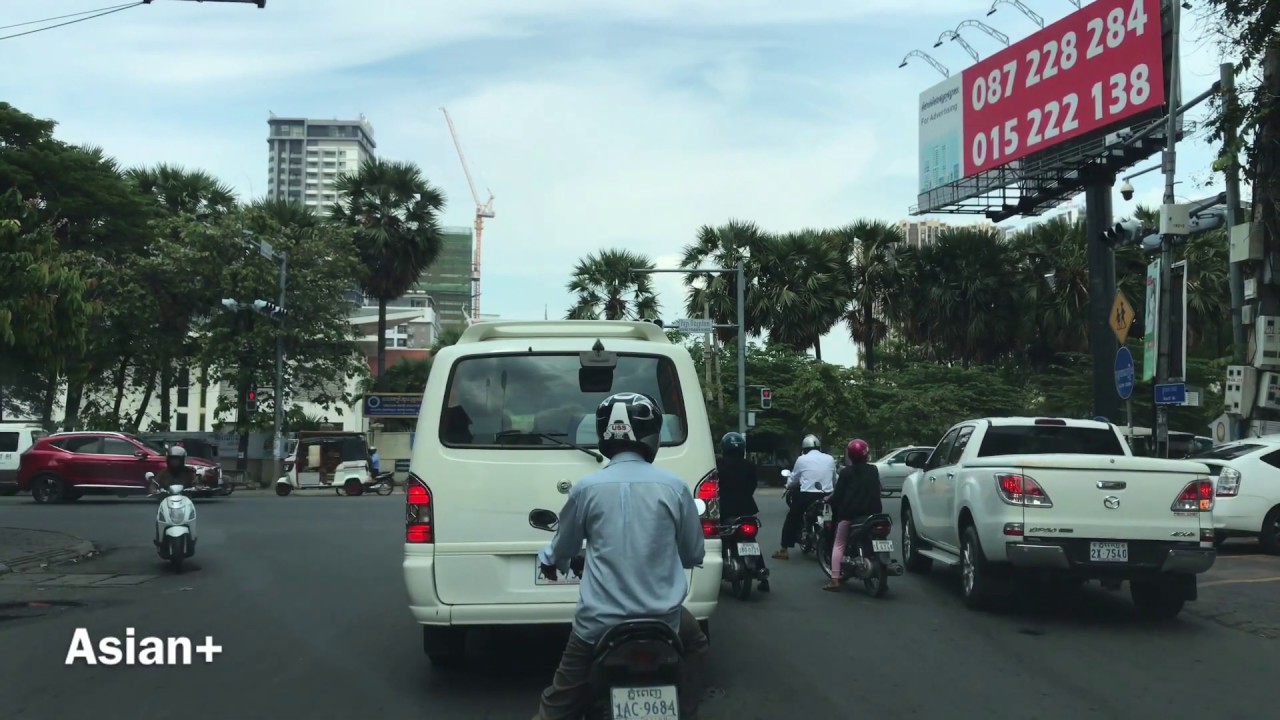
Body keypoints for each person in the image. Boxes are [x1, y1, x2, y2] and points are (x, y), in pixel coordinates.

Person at [533, 392, 709, 720]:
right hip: (664, 619)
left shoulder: (586, 488)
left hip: (598, 623)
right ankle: (685, 711)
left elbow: (564, 546)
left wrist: (551, 561)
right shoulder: (675, 487)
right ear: (652, 435)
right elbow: (693, 552)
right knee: (696, 646)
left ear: (604, 436)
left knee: (559, 701)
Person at [822, 438, 883, 591]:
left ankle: (835, 579)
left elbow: (838, 495)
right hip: (874, 514)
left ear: (849, 455)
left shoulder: (846, 472)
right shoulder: (873, 470)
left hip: (850, 516)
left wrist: (828, 499)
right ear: (867, 454)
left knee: (839, 543)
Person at [716, 431, 768, 591]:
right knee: (752, 541)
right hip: (747, 509)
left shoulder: (718, 464)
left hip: (723, 509)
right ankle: (763, 577)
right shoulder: (749, 465)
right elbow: (752, 486)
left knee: (718, 538)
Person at [773, 434, 837, 560]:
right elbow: (835, 479)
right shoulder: (830, 459)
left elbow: (794, 479)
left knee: (792, 517)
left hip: (808, 496)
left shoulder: (802, 459)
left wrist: (788, 486)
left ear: (804, 449)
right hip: (828, 496)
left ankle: (784, 550)